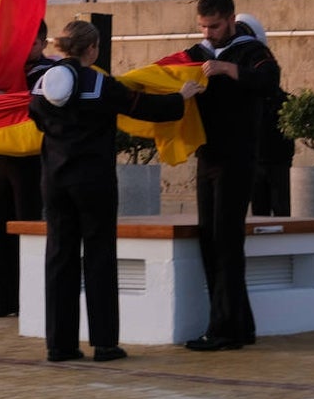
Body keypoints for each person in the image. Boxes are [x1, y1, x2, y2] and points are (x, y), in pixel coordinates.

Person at [29, 19, 201, 363]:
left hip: (54, 181)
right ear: (92, 49)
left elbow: (37, 119)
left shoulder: (40, 84)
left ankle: (59, 345)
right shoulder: (101, 84)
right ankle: (105, 343)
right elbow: (143, 106)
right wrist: (180, 97)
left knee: (59, 258)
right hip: (93, 181)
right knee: (99, 257)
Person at [184, 0, 281, 351]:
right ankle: (240, 326)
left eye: (214, 26)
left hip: (237, 159)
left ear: (230, 19)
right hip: (207, 158)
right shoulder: (198, 53)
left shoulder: (251, 51)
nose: (208, 33)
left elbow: (270, 81)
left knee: (226, 241)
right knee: (209, 239)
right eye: (203, 27)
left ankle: (223, 330)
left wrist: (228, 69)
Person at [0, 20, 53, 318]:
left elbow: (36, 103)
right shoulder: (4, 71)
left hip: (31, 159)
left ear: (43, 43)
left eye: (32, 44)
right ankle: (7, 301)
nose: (27, 51)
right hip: (2, 156)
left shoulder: (50, 72)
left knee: (29, 227)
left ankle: (32, 299)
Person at [236, 14, 295, 217]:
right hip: (254, 155)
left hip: (276, 157)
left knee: (281, 209)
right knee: (259, 213)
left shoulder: (263, 68)